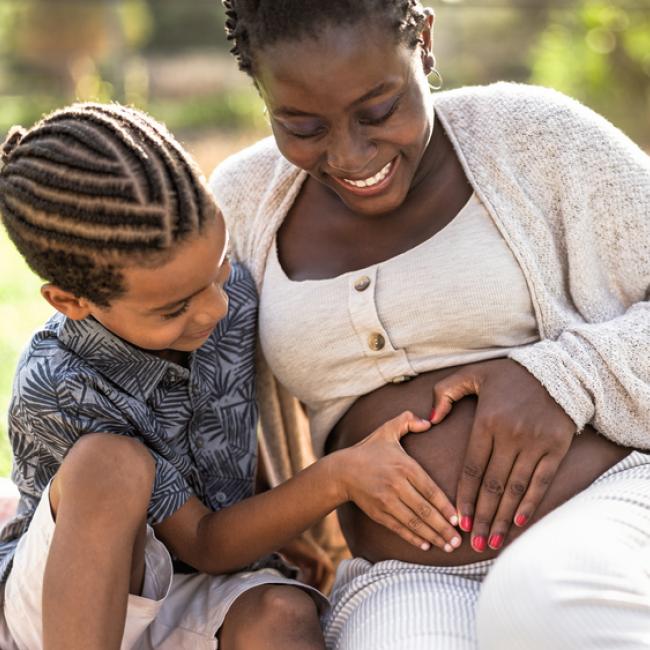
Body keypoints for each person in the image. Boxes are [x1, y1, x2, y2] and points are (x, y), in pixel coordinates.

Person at [210, 1, 650, 648]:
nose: (351, 153)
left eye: (379, 110)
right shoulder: (242, 205)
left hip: (604, 507)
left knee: (535, 604)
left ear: (424, 42)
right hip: (401, 575)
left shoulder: (535, 136)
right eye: (302, 126)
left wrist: (566, 376)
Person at [0, 103, 464, 650]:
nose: (214, 309)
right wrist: (339, 476)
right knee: (112, 464)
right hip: (64, 610)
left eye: (218, 268)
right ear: (71, 301)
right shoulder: (57, 381)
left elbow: (227, 437)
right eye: (173, 310)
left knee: (282, 613)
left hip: (193, 588)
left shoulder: (231, 300)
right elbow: (204, 541)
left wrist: (286, 538)